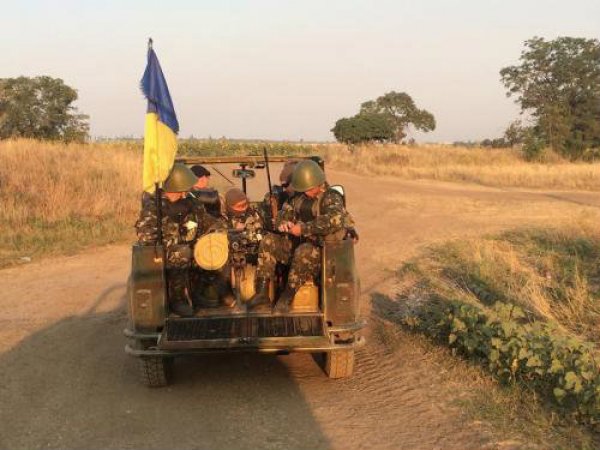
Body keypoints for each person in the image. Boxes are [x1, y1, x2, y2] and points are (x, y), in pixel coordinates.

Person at [250, 159, 356, 313]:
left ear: (318, 183)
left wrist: (304, 228)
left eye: (309, 189)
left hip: (321, 253)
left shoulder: (331, 197)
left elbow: (335, 220)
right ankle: (262, 294)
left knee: (304, 251)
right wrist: (283, 223)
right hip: (296, 243)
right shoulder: (299, 197)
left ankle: (287, 297)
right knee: (269, 241)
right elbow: (284, 213)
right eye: (304, 189)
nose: (306, 192)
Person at [135, 163, 212, 317]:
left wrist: (220, 230)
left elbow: (206, 221)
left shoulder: (191, 203)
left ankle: (198, 292)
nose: (185, 193)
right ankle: (177, 299)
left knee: (204, 247)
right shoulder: (154, 207)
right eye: (182, 190)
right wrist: (175, 239)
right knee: (182, 252)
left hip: (188, 246)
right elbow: (146, 239)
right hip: (163, 252)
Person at [262, 159, 299, 230]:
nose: (284, 189)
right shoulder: (275, 196)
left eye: (285, 185)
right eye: (282, 185)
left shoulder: (307, 197)